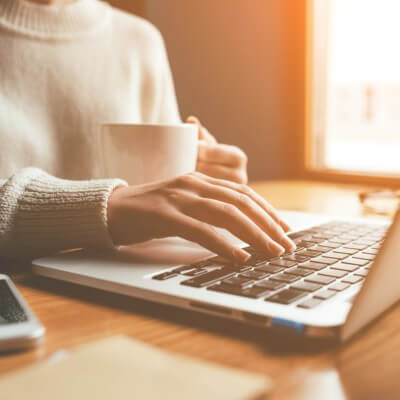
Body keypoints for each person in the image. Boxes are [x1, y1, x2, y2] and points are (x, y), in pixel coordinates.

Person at [0, 0, 295, 263]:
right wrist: (104, 208)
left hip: (121, 276)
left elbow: (165, 187)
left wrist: (206, 179)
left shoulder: (140, 39)